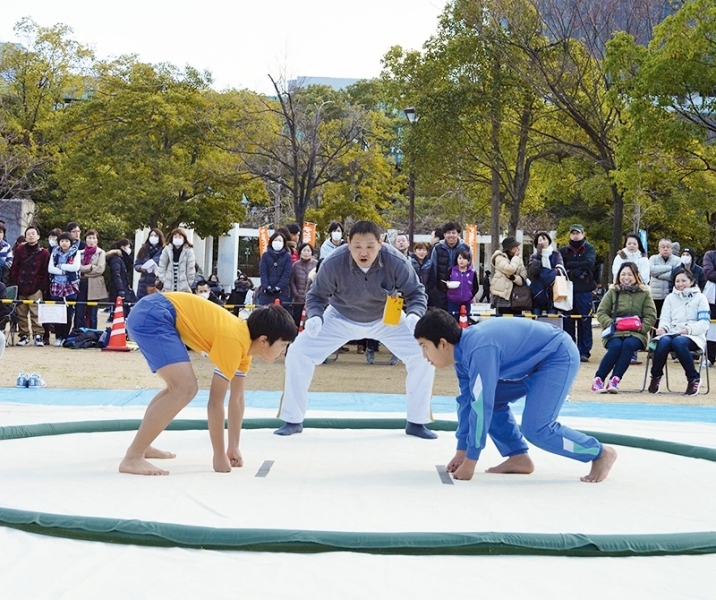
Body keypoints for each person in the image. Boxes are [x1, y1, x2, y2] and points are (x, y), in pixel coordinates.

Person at [413, 308, 617, 483]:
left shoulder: (479, 349)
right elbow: (468, 402)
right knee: (484, 402)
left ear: (442, 343)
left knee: (537, 428)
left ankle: (599, 452)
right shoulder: (463, 358)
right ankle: (518, 456)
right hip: (529, 364)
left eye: (424, 347)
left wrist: (471, 461)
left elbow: (481, 404)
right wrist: (462, 451)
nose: (424, 356)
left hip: (556, 355)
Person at [274, 220, 437, 439]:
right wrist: (315, 316)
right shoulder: (333, 261)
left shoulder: (396, 260)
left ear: (380, 243)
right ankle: (292, 418)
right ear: (348, 243)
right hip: (340, 315)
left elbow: (416, 293)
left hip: (387, 315)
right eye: (358, 246)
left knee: (424, 355)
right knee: (298, 352)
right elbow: (315, 295)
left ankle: (417, 421)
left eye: (370, 246)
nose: (364, 252)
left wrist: (416, 315)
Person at [120, 294, 297, 475]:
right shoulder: (235, 340)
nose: (283, 352)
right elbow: (215, 402)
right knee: (184, 388)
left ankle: (143, 445)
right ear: (263, 340)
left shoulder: (244, 348)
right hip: (154, 313)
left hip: (155, 311)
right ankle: (133, 456)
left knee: (179, 388)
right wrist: (219, 455)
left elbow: (236, 399)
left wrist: (233, 447)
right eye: (283, 345)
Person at [591, 262, 657, 393]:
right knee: (615, 346)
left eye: (630, 274)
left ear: (636, 276)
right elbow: (601, 312)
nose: (626, 277)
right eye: (623, 274)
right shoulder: (613, 292)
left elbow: (651, 315)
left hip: (636, 333)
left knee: (628, 345)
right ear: (618, 276)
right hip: (615, 331)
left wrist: (641, 328)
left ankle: (615, 379)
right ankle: (598, 379)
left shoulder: (645, 293)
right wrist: (611, 323)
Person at [648, 269, 710, 396]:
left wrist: (688, 329)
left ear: (692, 281)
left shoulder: (701, 298)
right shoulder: (670, 298)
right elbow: (665, 319)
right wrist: (663, 329)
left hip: (693, 336)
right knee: (663, 342)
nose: (680, 284)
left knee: (679, 342)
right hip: (672, 333)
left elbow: (704, 323)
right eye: (677, 281)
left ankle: (693, 378)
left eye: (684, 281)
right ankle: (656, 376)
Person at [559, 224, 597, 362]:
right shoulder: (563, 250)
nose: (575, 235)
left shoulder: (589, 248)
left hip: (584, 290)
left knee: (585, 321)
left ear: (583, 234)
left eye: (578, 233)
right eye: (573, 233)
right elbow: (561, 265)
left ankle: (584, 351)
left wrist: (573, 265)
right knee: (567, 321)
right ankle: (570, 349)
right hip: (567, 290)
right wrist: (575, 269)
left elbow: (590, 263)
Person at [8, 226, 50, 346]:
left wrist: (42, 287)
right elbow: (15, 268)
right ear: (25, 236)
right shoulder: (20, 250)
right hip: (21, 286)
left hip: (36, 287)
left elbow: (45, 271)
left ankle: (38, 335)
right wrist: (14, 284)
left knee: (36, 313)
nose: (31, 235)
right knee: (21, 313)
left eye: (33, 233)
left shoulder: (44, 253)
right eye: (28, 234)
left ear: (38, 236)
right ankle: (24, 335)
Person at [47, 232, 81, 346]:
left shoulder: (76, 252)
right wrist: (65, 270)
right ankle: (58, 336)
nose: (64, 243)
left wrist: (61, 267)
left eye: (67, 241)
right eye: (62, 241)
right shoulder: (54, 252)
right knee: (57, 311)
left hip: (70, 285)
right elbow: (50, 269)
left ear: (70, 242)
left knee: (68, 311)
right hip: (57, 284)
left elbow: (75, 267)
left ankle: (65, 336)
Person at [431, 221, 471, 311]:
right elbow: (433, 269)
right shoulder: (437, 248)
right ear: (444, 234)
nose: (451, 235)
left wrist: (470, 292)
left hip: (460, 291)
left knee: (458, 319)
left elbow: (470, 269)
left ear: (458, 234)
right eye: (448, 233)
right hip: (441, 290)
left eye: (454, 233)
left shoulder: (466, 248)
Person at [75, 229, 108, 330]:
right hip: (81, 284)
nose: (91, 240)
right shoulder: (79, 253)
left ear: (97, 240)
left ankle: (93, 333)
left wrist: (84, 272)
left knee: (93, 313)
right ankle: (78, 332)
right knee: (79, 311)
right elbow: (77, 267)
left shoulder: (101, 252)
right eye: (89, 238)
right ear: (85, 239)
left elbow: (100, 269)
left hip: (94, 285)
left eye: (94, 238)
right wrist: (90, 267)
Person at [527, 231, 564, 316]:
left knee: (551, 321)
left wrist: (543, 274)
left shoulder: (556, 254)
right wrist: (539, 256)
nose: (542, 242)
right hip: (537, 293)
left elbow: (559, 270)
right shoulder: (534, 256)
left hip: (553, 293)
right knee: (536, 321)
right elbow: (532, 272)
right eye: (539, 240)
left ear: (549, 241)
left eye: (544, 239)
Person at [490, 237, 528, 315]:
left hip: (517, 297)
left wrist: (513, 278)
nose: (518, 248)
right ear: (510, 248)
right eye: (516, 246)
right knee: (503, 322)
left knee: (516, 321)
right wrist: (516, 258)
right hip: (503, 296)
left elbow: (523, 275)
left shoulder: (518, 258)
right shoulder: (499, 257)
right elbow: (510, 269)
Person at [648, 238, 681, 319]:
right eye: (663, 247)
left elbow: (675, 275)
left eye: (668, 247)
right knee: (655, 318)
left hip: (670, 295)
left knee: (668, 318)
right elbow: (651, 271)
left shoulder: (677, 260)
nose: (665, 249)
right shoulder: (653, 258)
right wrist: (670, 268)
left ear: (672, 249)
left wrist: (657, 275)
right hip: (655, 296)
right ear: (659, 248)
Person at [258, 231, 292, 306]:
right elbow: (263, 272)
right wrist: (266, 286)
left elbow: (287, 273)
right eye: (275, 240)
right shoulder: (265, 255)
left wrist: (278, 287)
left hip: (282, 292)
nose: (277, 242)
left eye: (280, 240)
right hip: (266, 292)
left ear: (284, 243)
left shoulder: (287, 256)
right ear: (271, 242)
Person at [157, 229, 196, 293]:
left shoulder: (189, 251)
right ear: (172, 238)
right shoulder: (167, 250)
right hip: (168, 288)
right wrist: (165, 281)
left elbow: (191, 268)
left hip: (184, 289)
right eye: (175, 237)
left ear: (184, 238)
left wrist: (188, 283)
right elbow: (162, 266)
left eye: (180, 237)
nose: (177, 239)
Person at [107, 239, 137, 319]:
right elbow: (116, 275)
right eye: (128, 247)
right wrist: (121, 290)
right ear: (123, 247)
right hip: (119, 291)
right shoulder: (117, 260)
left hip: (123, 290)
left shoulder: (121, 260)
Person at [289, 242, 317, 327]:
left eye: (308, 250)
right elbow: (291, 281)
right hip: (298, 299)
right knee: (297, 321)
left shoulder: (316, 264)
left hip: (312, 299)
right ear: (300, 252)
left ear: (311, 253)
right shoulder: (295, 265)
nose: (306, 252)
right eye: (304, 250)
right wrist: (295, 294)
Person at [446, 249, 478, 320]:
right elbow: (445, 282)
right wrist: (447, 285)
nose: (461, 260)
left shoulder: (472, 273)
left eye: (464, 258)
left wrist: (470, 296)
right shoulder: (451, 270)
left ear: (468, 261)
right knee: (452, 321)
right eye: (460, 258)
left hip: (467, 302)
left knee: (465, 322)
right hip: (453, 301)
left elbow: (476, 287)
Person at [134, 228, 165, 299]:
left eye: (156, 236)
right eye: (151, 235)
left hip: (157, 283)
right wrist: (141, 268)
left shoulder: (164, 251)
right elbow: (136, 264)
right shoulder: (143, 249)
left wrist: (158, 271)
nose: (153, 237)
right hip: (143, 283)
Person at [410, 242, 436, 306]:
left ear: (427, 252)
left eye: (424, 250)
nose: (421, 252)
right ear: (415, 251)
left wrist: (427, 289)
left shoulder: (429, 263)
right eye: (419, 250)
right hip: (412, 292)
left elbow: (432, 279)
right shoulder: (410, 262)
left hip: (426, 292)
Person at [703, 243, 716, 365]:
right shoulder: (710, 255)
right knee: (712, 327)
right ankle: (710, 357)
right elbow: (709, 274)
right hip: (713, 297)